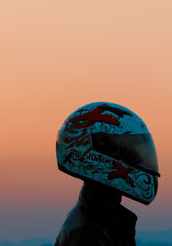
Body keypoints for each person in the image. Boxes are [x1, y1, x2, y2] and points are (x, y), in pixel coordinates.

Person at [54, 102, 160, 246]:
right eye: (129, 150)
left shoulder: (98, 219)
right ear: (102, 151)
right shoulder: (89, 234)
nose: (140, 158)